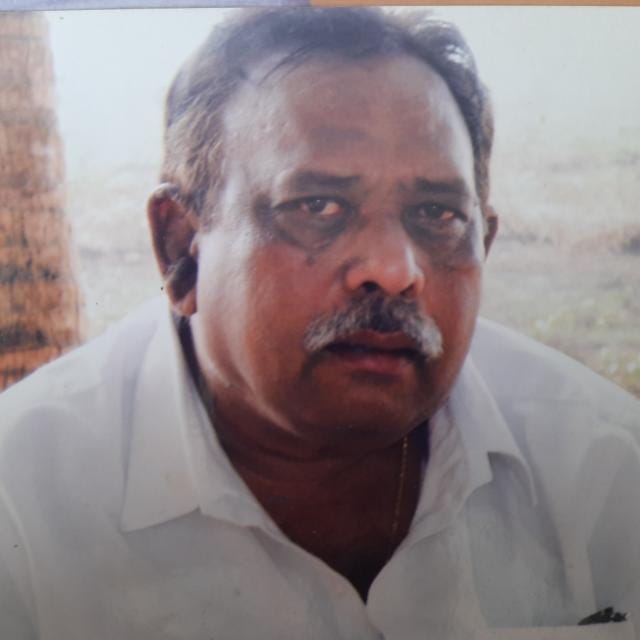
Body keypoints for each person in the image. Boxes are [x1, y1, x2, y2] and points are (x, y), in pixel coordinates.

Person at [1, 7, 639, 639]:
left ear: (485, 244)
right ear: (180, 248)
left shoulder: (606, 471)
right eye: (318, 207)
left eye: (437, 215)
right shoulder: (22, 509)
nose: (394, 271)